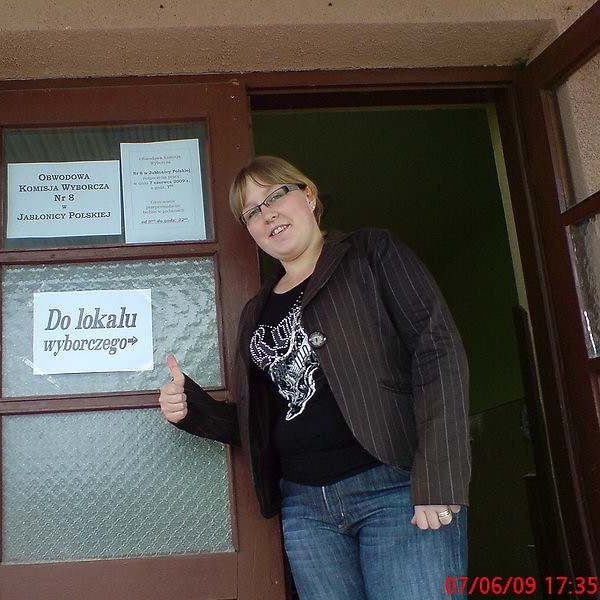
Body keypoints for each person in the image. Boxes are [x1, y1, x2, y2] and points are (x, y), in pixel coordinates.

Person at [159, 155, 469, 600]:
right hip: (306, 506)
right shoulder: (256, 310)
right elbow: (264, 419)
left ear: (308, 195)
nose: (267, 214)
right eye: (252, 212)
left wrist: (439, 478)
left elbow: (437, 353)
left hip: (393, 486)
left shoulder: (370, 253)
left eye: (275, 196)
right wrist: (193, 409)